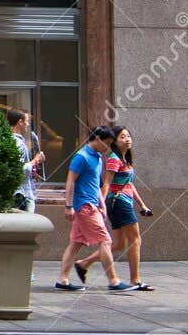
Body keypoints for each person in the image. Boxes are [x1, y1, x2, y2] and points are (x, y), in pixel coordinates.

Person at [55, 126, 134, 292]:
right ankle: (113, 281)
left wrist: (102, 205)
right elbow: (70, 182)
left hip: (92, 205)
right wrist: (68, 206)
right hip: (84, 206)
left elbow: (97, 185)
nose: (107, 148)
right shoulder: (81, 157)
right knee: (105, 241)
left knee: (75, 243)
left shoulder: (98, 157)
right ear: (97, 138)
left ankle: (62, 280)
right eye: (106, 143)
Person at [100, 125, 155, 290]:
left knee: (118, 245)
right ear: (115, 141)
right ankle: (135, 280)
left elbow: (129, 184)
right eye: (122, 137)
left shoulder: (125, 159)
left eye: (128, 136)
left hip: (122, 202)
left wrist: (142, 205)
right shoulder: (114, 158)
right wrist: (101, 205)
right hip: (119, 203)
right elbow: (106, 183)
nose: (127, 139)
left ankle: (84, 262)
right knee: (135, 240)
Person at [11, 108, 44, 212]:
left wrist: (32, 170)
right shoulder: (17, 143)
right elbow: (19, 169)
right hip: (22, 194)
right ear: (20, 122)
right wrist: (36, 160)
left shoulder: (15, 140)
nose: (28, 124)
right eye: (27, 121)